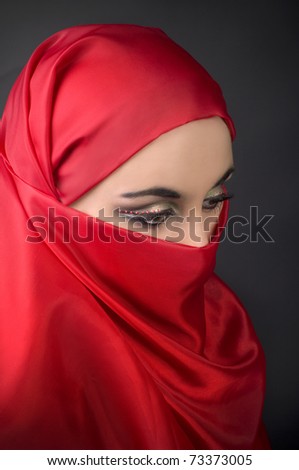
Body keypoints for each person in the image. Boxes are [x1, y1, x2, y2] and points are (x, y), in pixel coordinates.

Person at [0, 24, 270, 449]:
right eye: (153, 216)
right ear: (45, 205)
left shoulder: (222, 328)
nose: (199, 242)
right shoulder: (16, 389)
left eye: (216, 199)